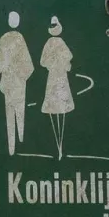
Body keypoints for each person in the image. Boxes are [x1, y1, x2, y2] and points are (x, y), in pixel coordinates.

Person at [0, 11, 33, 154]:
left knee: (15, 112)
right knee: (17, 111)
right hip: (14, 82)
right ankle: (16, 143)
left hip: (14, 81)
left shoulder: (14, 39)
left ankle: (15, 145)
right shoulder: (12, 38)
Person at [40, 15, 74, 160]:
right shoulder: (59, 42)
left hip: (55, 76)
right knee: (60, 108)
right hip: (59, 76)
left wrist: (53, 63)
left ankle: (59, 147)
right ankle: (59, 147)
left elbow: (43, 61)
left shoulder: (50, 43)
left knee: (56, 108)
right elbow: (68, 56)